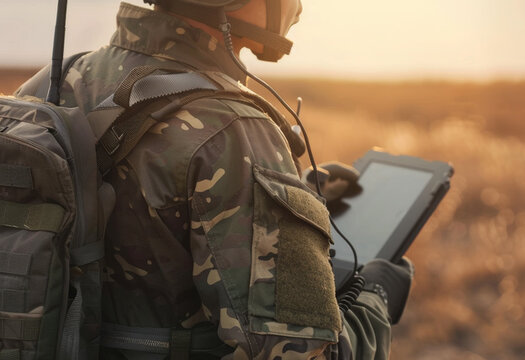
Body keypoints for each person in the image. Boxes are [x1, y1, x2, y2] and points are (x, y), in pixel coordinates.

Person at [15, 0, 413, 359]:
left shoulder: (51, 81)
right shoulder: (232, 126)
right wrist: (374, 300)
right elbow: (298, 353)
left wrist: (291, 201)